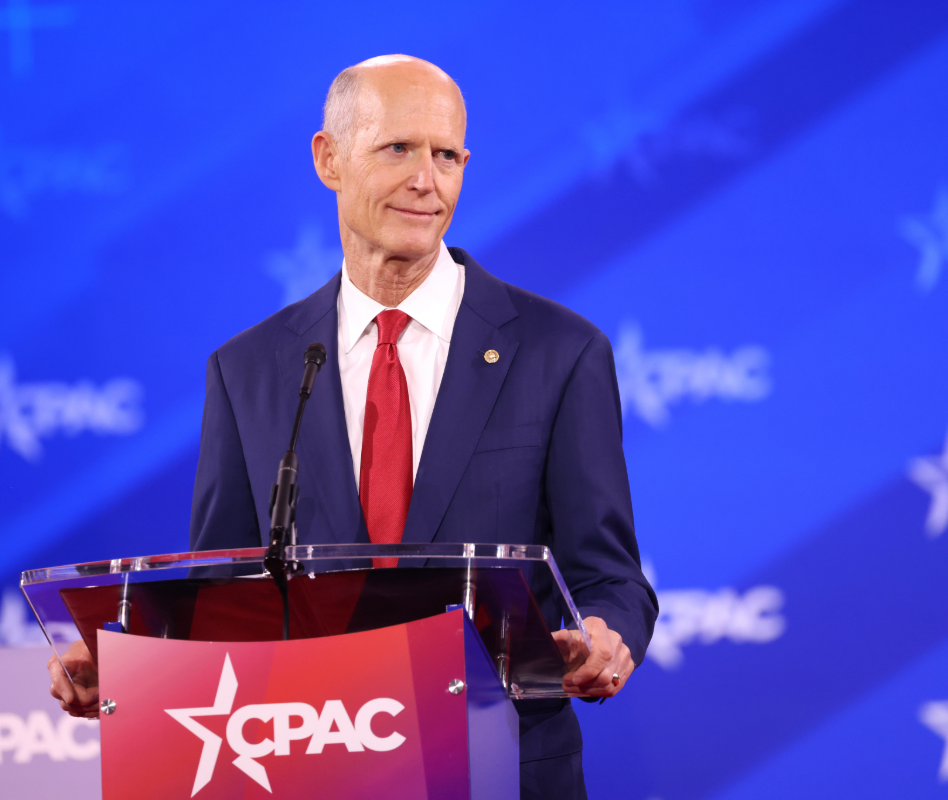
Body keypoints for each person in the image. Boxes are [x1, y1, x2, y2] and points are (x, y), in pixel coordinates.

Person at [49, 54, 657, 800]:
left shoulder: (559, 351)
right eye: (398, 148)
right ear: (328, 158)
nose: (426, 180)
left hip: (502, 769)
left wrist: (604, 634)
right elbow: (218, 600)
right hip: (315, 770)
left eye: (447, 155)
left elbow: (609, 574)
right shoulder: (250, 369)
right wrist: (125, 666)